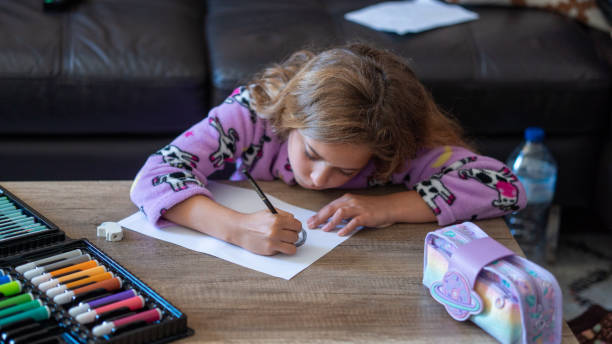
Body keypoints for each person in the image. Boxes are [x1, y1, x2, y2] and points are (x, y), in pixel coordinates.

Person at [130, 43, 526, 256]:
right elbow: (153, 176)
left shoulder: (397, 146)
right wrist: (234, 227)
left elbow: (505, 186)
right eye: (313, 154)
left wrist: (387, 207)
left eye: (345, 170)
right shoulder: (254, 112)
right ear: (290, 119)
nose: (319, 180)